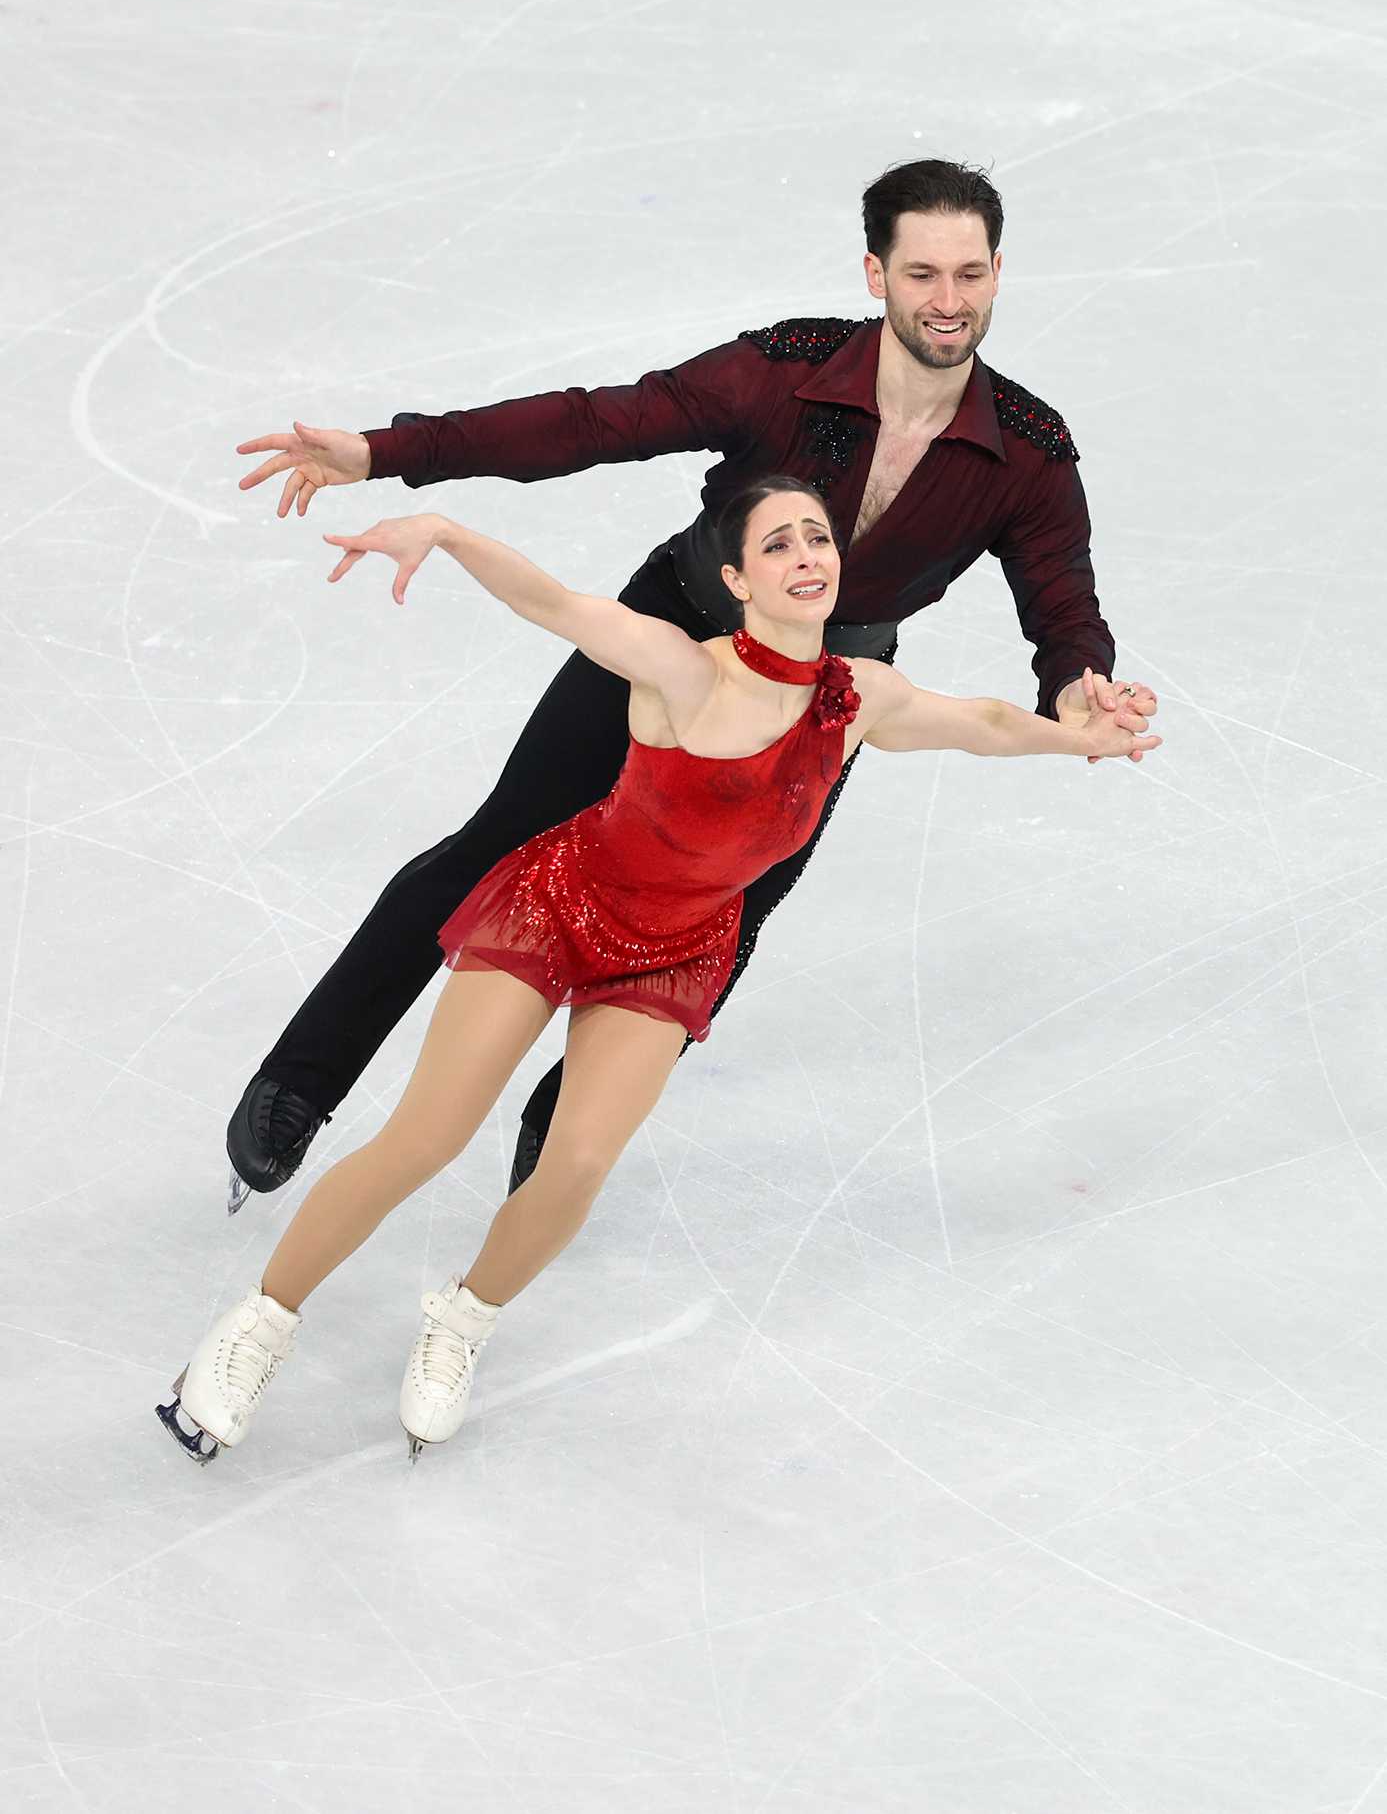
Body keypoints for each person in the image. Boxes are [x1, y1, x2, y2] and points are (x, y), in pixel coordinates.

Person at [157, 480, 1159, 1467]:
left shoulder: (860, 699)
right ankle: (259, 1322)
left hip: (676, 948)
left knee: (579, 1162)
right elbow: (556, 603)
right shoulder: (684, 671)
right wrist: (447, 531)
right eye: (777, 544)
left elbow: (981, 720)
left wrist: (1078, 735)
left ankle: (462, 1320)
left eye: (817, 536)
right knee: (429, 1133)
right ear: (736, 577)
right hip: (559, 907)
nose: (807, 554)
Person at [225, 159, 1157, 1209]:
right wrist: (387, 452)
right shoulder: (784, 367)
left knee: (727, 913)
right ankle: (301, 1079)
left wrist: (1081, 686)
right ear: (874, 273)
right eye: (922, 272)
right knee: (502, 839)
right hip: (669, 629)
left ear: (998, 274)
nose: (948, 300)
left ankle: (565, 1121)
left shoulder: (1027, 449)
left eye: (970, 273)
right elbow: (595, 422)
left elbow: (1061, 598)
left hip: (819, 690)